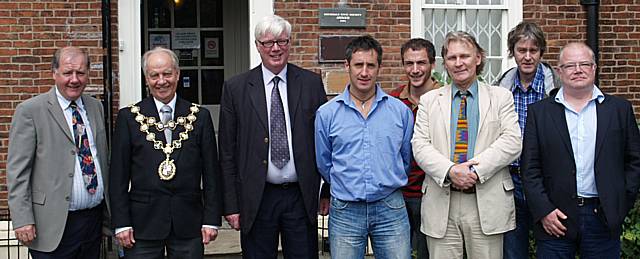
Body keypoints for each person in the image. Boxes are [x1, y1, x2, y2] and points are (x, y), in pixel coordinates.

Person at [218, 15, 328, 259]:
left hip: (300, 197)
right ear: (258, 46)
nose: (275, 48)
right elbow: (226, 152)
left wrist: (325, 191)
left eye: (282, 41)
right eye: (268, 42)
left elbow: (325, 144)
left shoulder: (311, 84)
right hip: (257, 198)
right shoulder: (236, 88)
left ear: (290, 44)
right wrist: (231, 205)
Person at [521, 42, 640, 258]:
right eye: (570, 65)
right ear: (559, 71)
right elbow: (530, 168)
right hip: (555, 218)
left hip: (602, 218)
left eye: (584, 64)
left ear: (594, 68)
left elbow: (635, 162)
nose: (578, 70)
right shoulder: (539, 113)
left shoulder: (620, 110)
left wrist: (619, 204)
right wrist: (544, 211)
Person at [411, 31, 521, 258]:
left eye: (465, 56)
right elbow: (419, 145)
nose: (458, 63)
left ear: (478, 58)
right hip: (442, 202)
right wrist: (451, 171)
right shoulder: (430, 101)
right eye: (452, 58)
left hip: (485, 201)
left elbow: (512, 141)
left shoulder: (501, 97)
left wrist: (473, 171)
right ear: (445, 63)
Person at [110, 47, 221, 259]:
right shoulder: (129, 118)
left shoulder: (199, 117)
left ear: (177, 74)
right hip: (142, 225)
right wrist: (121, 222)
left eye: (167, 74)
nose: (162, 81)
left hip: (188, 223)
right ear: (146, 79)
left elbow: (211, 173)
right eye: (154, 75)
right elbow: (118, 176)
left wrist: (211, 219)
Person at [315, 35, 413, 259]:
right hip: (345, 209)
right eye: (358, 65)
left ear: (379, 67)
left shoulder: (400, 112)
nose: (364, 72)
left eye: (371, 65)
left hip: (391, 206)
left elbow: (405, 158)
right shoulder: (327, 114)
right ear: (347, 66)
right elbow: (324, 160)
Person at [7, 46, 110, 258]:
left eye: (80, 73)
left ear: (88, 74)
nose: (74, 79)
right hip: (51, 225)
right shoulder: (30, 111)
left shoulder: (95, 107)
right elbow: (18, 172)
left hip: (93, 222)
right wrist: (22, 218)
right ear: (54, 73)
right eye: (67, 73)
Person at [493, 21, 560, 259]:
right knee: (513, 252)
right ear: (513, 52)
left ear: (541, 52)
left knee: (551, 250)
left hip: (546, 183)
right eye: (522, 50)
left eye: (534, 50)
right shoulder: (501, 89)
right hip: (511, 183)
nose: (528, 57)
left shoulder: (557, 89)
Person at [389, 38, 441, 259]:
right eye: (409, 63)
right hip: (398, 193)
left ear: (433, 64)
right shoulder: (392, 101)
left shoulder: (445, 98)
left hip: (434, 192)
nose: (415, 70)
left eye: (421, 63)